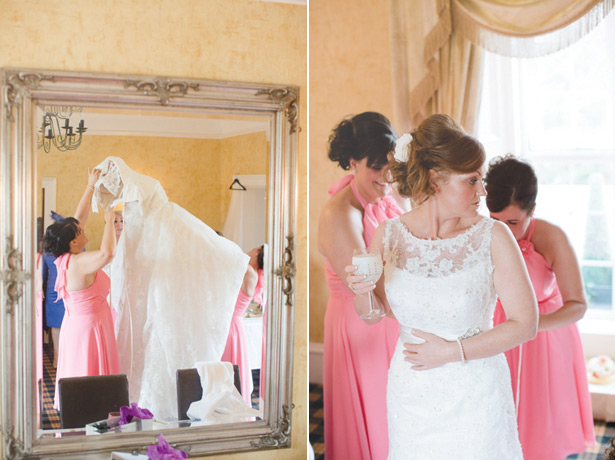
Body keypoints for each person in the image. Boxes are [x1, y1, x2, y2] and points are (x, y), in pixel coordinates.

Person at [346, 114, 538, 459]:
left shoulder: (493, 236)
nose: (483, 192)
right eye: (472, 181)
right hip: (412, 392)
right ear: (436, 179)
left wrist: (453, 352)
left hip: (476, 392)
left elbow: (526, 324)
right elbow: (373, 314)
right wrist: (362, 288)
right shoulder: (389, 235)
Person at [93, 156, 248, 420]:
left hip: (161, 303)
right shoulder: (132, 232)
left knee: (161, 356)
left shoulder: (169, 219)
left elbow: (208, 250)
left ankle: (158, 412)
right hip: (136, 307)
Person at [485, 155, 595, 459]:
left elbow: (578, 305)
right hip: (496, 330)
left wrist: (529, 325)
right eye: (495, 220)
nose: (502, 232)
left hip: (541, 339)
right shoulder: (481, 231)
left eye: (512, 222)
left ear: (532, 210)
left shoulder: (552, 238)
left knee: (537, 425)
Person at [318, 112, 408, 460]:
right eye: (376, 167)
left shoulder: (386, 200)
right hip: (362, 325)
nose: (386, 177)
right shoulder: (339, 214)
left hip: (392, 320)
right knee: (376, 418)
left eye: (391, 166)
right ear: (352, 162)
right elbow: (371, 287)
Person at [42, 168, 120, 410]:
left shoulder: (66, 254)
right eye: (81, 232)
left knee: (83, 374)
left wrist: (90, 186)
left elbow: (79, 219)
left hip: (81, 326)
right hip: (90, 329)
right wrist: (109, 220)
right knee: (90, 380)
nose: (84, 229)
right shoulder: (78, 262)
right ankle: (90, 416)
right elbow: (108, 253)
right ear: (73, 242)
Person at [221, 245, 264, 406]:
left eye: (254, 250)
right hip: (230, 325)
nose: (250, 250)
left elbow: (234, 258)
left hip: (232, 328)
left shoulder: (251, 273)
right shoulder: (248, 273)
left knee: (229, 369)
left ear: (258, 256)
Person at [41, 212, 67, 368]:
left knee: (68, 324)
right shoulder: (47, 248)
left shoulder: (74, 246)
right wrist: (40, 288)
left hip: (69, 289)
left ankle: (67, 357)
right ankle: (57, 356)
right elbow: (42, 271)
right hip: (52, 290)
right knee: (55, 325)